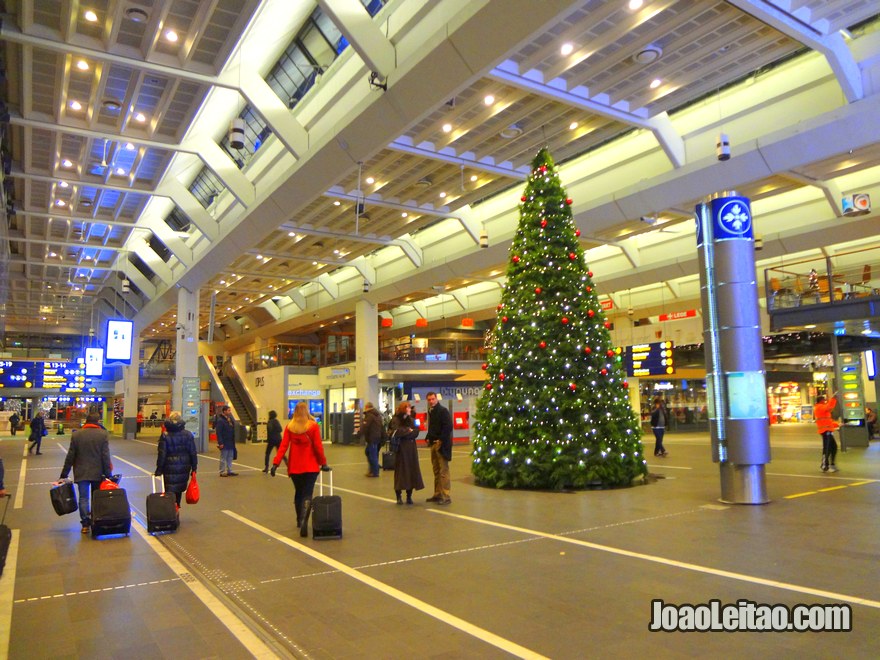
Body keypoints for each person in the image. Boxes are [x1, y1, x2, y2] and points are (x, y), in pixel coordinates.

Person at [270, 401, 329, 535]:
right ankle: (305, 520)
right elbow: (318, 447)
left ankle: (299, 519)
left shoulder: (290, 427)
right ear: (306, 411)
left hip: (295, 467)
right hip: (311, 466)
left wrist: (275, 463)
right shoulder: (313, 426)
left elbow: (283, 446)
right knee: (308, 494)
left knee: (298, 493)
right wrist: (323, 463)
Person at [58, 412, 112, 533]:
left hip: (81, 472)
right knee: (95, 497)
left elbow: (70, 456)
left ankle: (85, 524)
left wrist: (64, 474)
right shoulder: (103, 435)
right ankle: (95, 519)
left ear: (86, 421)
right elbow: (105, 456)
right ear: (98, 422)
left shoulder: (76, 435)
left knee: (83, 498)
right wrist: (108, 474)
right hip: (98, 472)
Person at [155, 411, 198, 508]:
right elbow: (193, 452)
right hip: (184, 466)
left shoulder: (165, 435)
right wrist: (194, 467)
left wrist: (159, 469)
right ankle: (177, 506)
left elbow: (162, 454)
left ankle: (170, 509)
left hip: (168, 467)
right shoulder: (188, 434)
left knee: (169, 490)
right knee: (179, 489)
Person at [390, 401, 424, 504]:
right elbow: (396, 432)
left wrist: (407, 432)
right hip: (401, 449)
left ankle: (409, 496)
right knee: (400, 472)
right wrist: (408, 431)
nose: (410, 410)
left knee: (411, 471)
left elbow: (416, 432)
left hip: (411, 450)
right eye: (408, 408)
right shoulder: (395, 420)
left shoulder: (412, 420)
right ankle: (398, 496)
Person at [424, 392, 453, 505]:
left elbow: (448, 427)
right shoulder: (431, 411)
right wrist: (429, 437)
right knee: (436, 470)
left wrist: (440, 440)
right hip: (433, 444)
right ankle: (437, 494)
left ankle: (446, 496)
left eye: (433, 399)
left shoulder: (443, 411)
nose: (431, 401)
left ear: (436, 399)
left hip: (441, 445)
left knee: (443, 471)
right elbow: (433, 427)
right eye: (429, 400)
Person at [814, 392, 840, 472]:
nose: (825, 401)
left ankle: (831, 464)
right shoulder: (819, 407)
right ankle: (825, 465)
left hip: (827, 430)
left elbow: (827, 421)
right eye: (824, 400)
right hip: (825, 431)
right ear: (821, 401)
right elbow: (829, 407)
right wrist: (833, 398)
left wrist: (837, 424)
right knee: (827, 448)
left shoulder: (822, 408)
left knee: (833, 447)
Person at [358, 402, 384, 477]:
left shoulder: (369, 415)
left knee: (372, 455)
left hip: (372, 438)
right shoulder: (377, 415)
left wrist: (359, 434)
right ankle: (373, 469)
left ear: (367, 407)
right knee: (368, 452)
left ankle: (375, 472)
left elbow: (365, 426)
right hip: (376, 437)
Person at [215, 406, 237, 477]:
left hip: (230, 441)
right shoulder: (220, 421)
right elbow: (219, 432)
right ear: (224, 411)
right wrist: (220, 442)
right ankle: (222, 471)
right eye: (228, 410)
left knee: (230, 457)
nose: (229, 412)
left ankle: (229, 470)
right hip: (224, 441)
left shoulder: (229, 419)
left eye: (230, 410)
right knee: (223, 457)